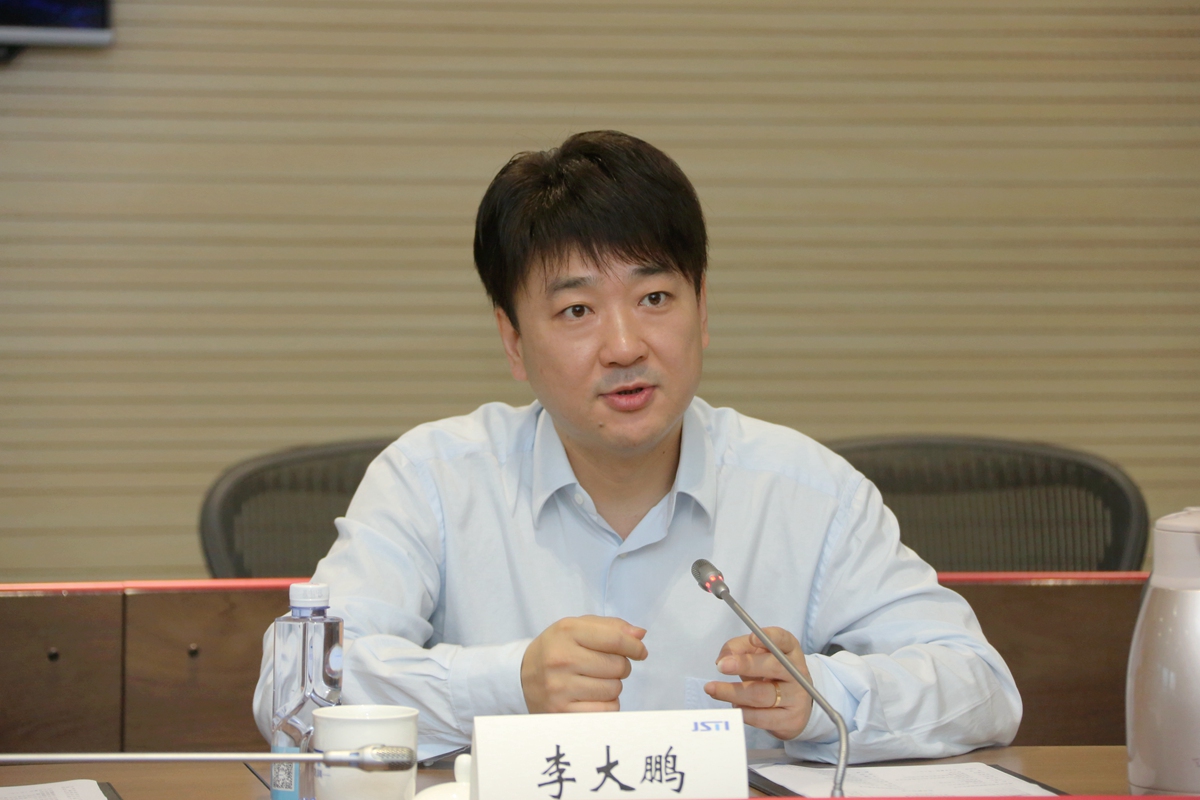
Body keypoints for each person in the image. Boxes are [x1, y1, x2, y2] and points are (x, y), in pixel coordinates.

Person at [253, 130, 1021, 763]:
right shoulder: (431, 480)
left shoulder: (806, 491)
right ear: (513, 341)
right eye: (577, 310)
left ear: (702, 311)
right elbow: (294, 693)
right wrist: (509, 682)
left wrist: (822, 698)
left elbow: (982, 687)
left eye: (655, 298)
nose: (625, 345)